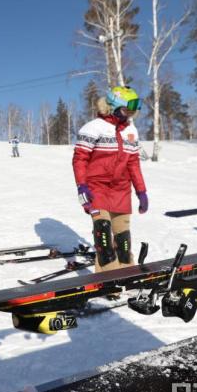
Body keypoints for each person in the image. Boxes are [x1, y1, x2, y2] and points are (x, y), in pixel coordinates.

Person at [72, 86, 148, 272]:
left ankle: (127, 274)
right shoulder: (93, 128)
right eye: (126, 110)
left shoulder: (131, 131)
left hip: (121, 190)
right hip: (96, 188)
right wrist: (82, 186)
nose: (130, 115)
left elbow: (133, 164)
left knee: (123, 241)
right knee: (103, 233)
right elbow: (80, 159)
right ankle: (108, 280)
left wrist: (141, 191)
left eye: (132, 111)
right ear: (113, 106)